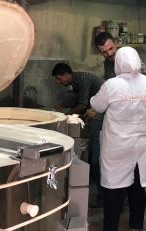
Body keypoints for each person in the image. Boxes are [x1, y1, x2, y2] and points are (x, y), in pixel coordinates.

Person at [90, 47, 146, 231]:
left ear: (118, 63)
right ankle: (136, 226)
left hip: (117, 146)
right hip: (141, 146)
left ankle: (110, 228)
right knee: (137, 186)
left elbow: (97, 105)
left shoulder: (112, 84)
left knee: (113, 189)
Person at [52, 63, 104, 207]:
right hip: (95, 109)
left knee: (95, 158)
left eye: (59, 78)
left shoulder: (81, 80)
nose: (59, 82)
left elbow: (82, 104)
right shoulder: (76, 82)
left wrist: (64, 116)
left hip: (102, 114)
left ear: (67, 74)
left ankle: (103, 197)